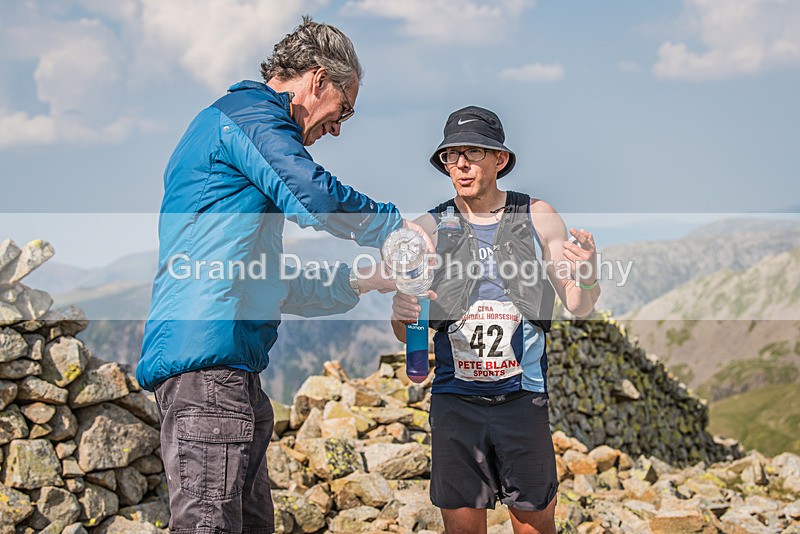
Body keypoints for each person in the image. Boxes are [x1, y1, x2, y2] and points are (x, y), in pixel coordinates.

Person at [136, 17, 428, 533]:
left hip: (229, 373)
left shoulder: (240, 150)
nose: (338, 128)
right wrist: (393, 228)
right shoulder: (247, 118)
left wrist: (366, 279)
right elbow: (312, 194)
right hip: (208, 372)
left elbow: (267, 283)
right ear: (318, 80)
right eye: (345, 108)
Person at [391, 106, 600, 534]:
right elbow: (407, 330)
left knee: (535, 526)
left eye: (473, 152)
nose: (461, 164)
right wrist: (400, 312)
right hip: (455, 402)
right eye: (451, 155)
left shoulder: (538, 216)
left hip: (522, 400)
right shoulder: (428, 228)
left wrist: (589, 275)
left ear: (500, 159)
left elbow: (577, 304)